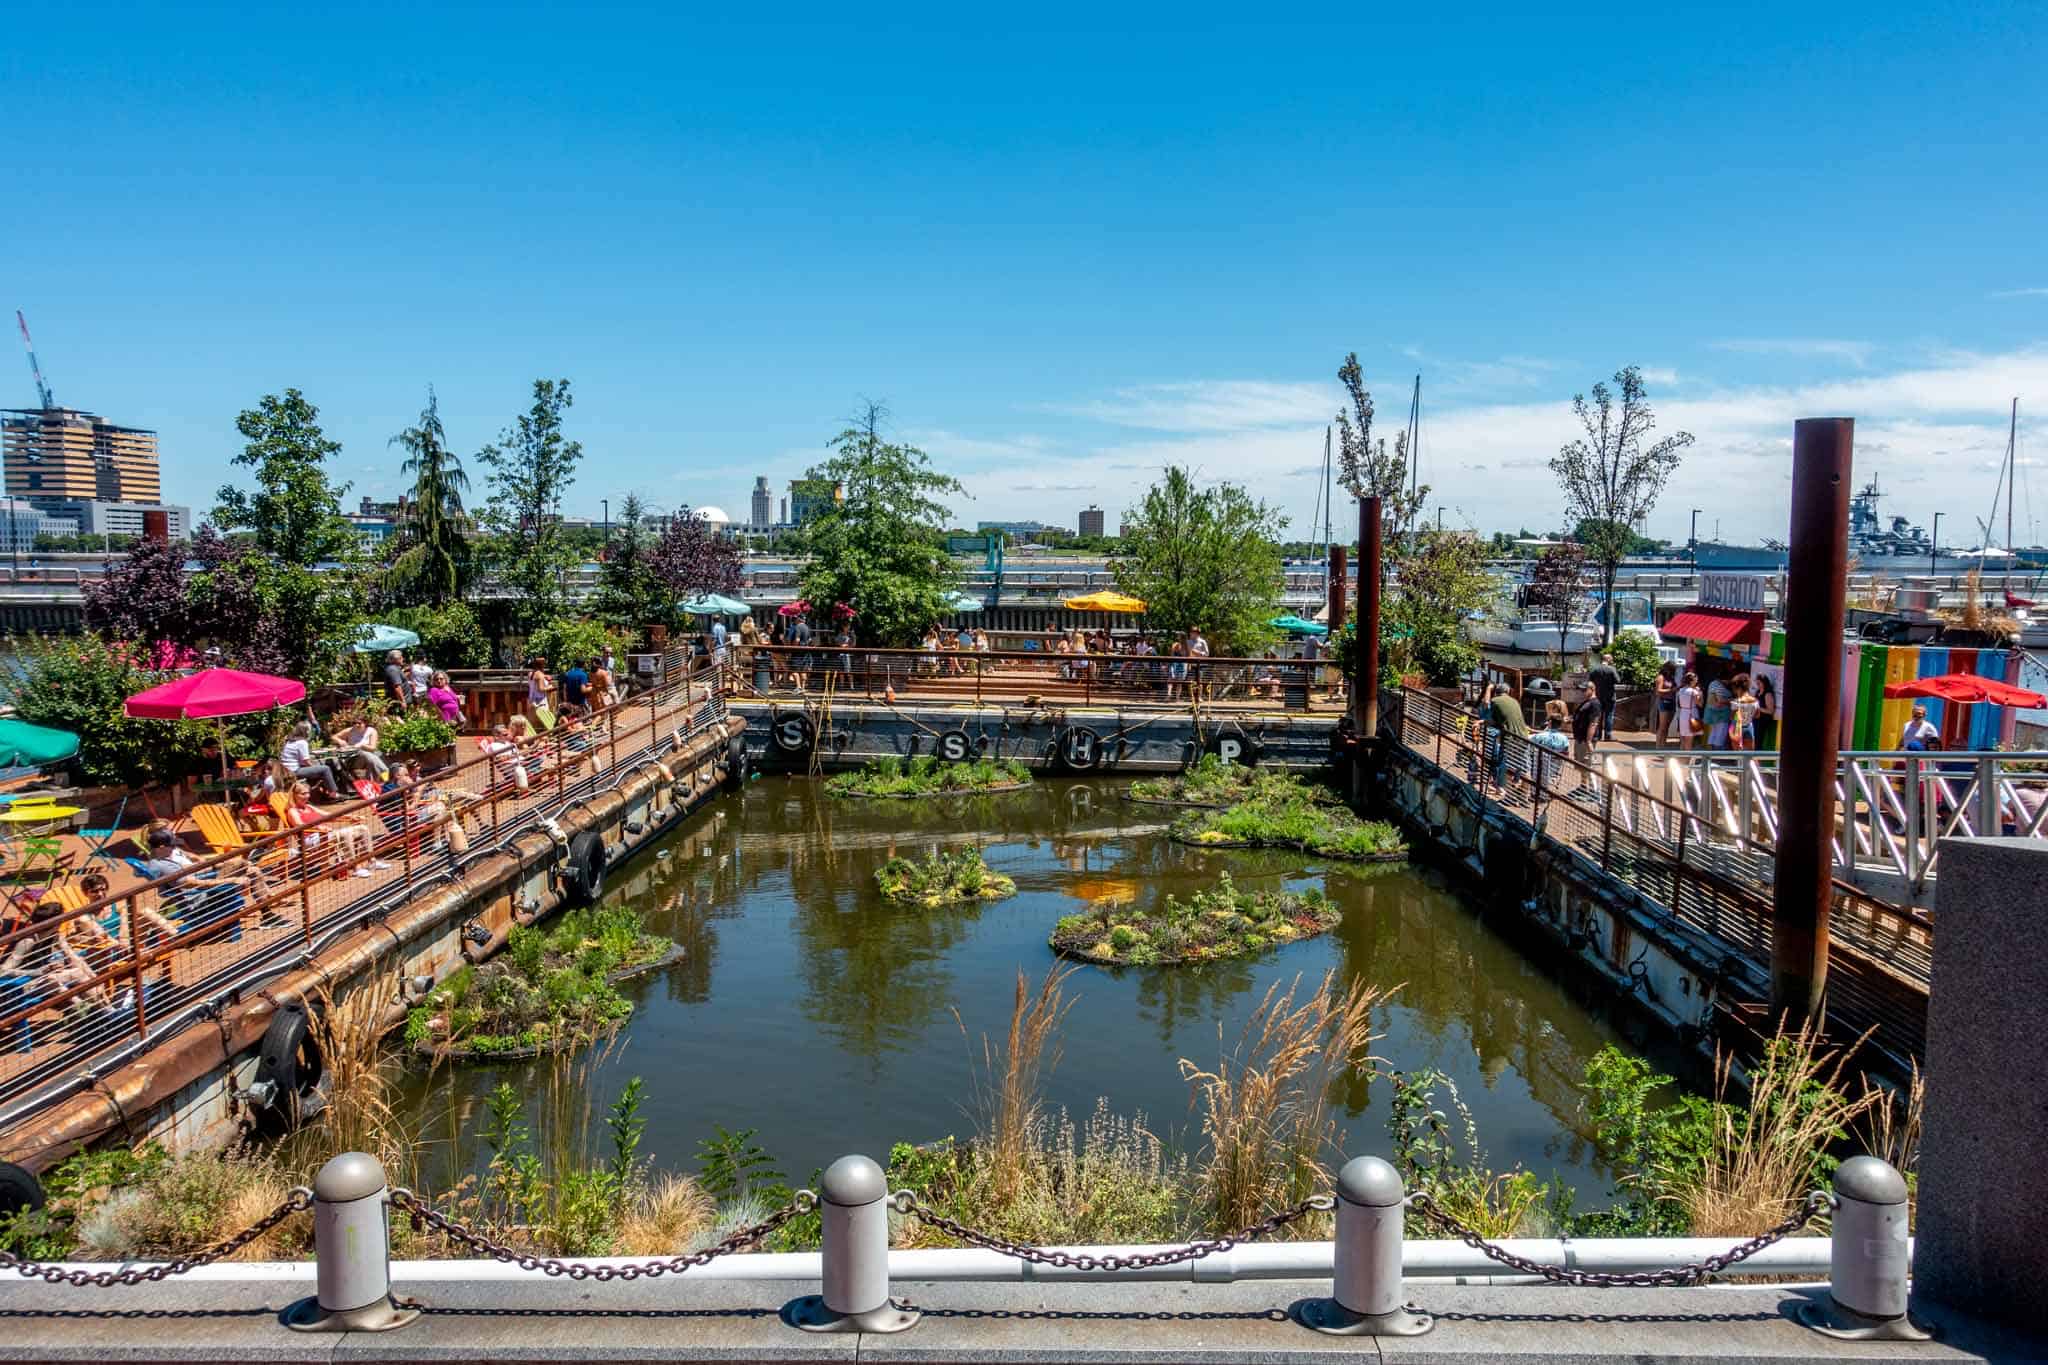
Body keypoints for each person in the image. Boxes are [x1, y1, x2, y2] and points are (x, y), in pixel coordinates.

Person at [285, 781, 381, 877]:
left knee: (362, 829)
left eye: (308, 793)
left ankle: (372, 861)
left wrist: (350, 817)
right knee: (345, 833)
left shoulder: (309, 807)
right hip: (310, 839)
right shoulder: (293, 811)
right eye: (303, 794)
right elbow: (299, 824)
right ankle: (355, 867)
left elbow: (329, 816)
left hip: (324, 834)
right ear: (295, 795)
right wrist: (317, 827)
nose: (307, 796)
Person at [280, 721, 343, 799]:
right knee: (325, 769)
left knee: (319, 767)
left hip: (286, 770)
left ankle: (323, 791)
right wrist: (315, 766)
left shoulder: (290, 741)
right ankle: (333, 794)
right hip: (294, 771)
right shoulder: (302, 742)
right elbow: (306, 761)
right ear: (305, 731)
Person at [1529, 699, 1572, 795]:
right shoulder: (1564, 738)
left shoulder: (1541, 736)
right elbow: (1566, 752)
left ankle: (1534, 791)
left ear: (1549, 723)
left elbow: (1529, 739)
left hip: (1540, 761)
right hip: (1555, 763)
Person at [334, 712, 391, 781]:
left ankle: (375, 782)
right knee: (367, 755)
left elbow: (373, 748)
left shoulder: (371, 731)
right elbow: (333, 737)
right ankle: (386, 776)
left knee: (370, 757)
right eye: (354, 723)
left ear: (365, 723)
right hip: (353, 759)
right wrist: (340, 741)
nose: (356, 725)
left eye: (359, 723)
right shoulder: (350, 730)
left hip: (369, 757)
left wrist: (362, 746)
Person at [1570, 681, 1603, 791]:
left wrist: (1588, 740)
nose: (1582, 692)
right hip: (1580, 738)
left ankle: (1593, 790)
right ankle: (1583, 787)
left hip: (1586, 739)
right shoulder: (1586, 702)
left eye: (1585, 690)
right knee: (1581, 764)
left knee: (1587, 764)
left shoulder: (1595, 704)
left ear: (1592, 689)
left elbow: (1594, 722)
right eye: (1582, 690)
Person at [481, 722, 530, 793]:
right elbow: (501, 758)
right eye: (505, 735)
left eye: (507, 734)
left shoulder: (508, 743)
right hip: (512, 767)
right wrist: (516, 754)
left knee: (538, 759)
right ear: (496, 736)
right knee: (536, 763)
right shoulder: (494, 746)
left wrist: (537, 743)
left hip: (520, 764)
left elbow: (522, 753)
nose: (507, 736)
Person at [1589, 652, 1620, 741]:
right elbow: (1617, 680)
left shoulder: (1595, 669)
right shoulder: (1611, 669)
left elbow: (1590, 681)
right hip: (1610, 696)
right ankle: (1608, 735)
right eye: (1611, 659)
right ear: (1608, 659)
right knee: (1609, 715)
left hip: (1598, 696)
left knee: (1597, 715)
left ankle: (1596, 735)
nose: (1612, 661)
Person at [1703, 670, 1734, 750]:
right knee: (1720, 735)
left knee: (1713, 733)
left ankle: (1711, 754)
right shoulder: (1719, 685)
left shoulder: (1713, 683)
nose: (1729, 682)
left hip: (1713, 714)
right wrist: (1733, 700)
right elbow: (1720, 700)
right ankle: (1717, 755)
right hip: (1720, 715)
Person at [1729, 674, 1759, 751]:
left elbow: (1732, 717)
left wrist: (1738, 717)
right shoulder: (1755, 701)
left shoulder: (1735, 702)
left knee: (1737, 754)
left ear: (1737, 688)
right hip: (1749, 727)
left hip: (1737, 728)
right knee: (1750, 753)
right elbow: (1757, 715)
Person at [1652, 662, 1678, 748]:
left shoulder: (1670, 678)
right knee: (1662, 726)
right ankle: (1658, 747)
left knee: (1667, 726)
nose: (1674, 671)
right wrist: (1672, 690)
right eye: (1673, 669)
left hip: (1672, 702)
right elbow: (1658, 691)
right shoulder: (1661, 677)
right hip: (1664, 702)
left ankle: (1663, 746)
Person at [1675, 671, 1703, 752]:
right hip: (1692, 714)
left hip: (1683, 713)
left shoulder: (1680, 690)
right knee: (1689, 739)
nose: (1696, 682)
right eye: (1695, 680)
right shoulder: (1693, 692)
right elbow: (1700, 704)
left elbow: (1679, 704)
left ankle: (1682, 758)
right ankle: (1687, 759)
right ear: (1692, 681)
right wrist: (1700, 694)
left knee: (1683, 738)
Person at [1753, 675, 1778, 750]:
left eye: (1759, 683)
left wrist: (1758, 708)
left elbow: (1771, 711)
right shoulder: (1757, 691)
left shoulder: (1768, 694)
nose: (1757, 684)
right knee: (1754, 739)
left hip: (1763, 720)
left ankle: (1758, 757)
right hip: (1756, 718)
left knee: (1758, 741)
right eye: (1757, 682)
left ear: (1764, 683)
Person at [526, 656, 554, 721]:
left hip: (531, 700)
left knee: (533, 723)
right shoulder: (540, 675)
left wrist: (545, 676)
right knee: (545, 721)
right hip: (540, 702)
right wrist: (550, 687)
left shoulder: (530, 674)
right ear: (542, 665)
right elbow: (541, 689)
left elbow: (535, 681)